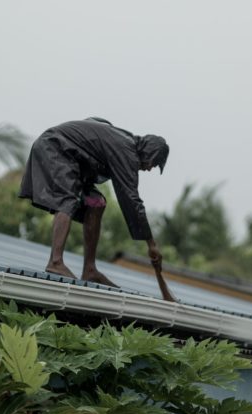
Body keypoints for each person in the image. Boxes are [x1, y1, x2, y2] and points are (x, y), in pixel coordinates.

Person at [19, 117, 176, 302]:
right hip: (55, 148)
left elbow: (94, 124)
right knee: (68, 198)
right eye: (154, 164)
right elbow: (131, 199)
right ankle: (55, 261)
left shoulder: (122, 142)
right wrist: (151, 243)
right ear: (150, 153)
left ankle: (90, 269)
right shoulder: (126, 150)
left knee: (97, 203)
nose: (150, 169)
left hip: (71, 161)